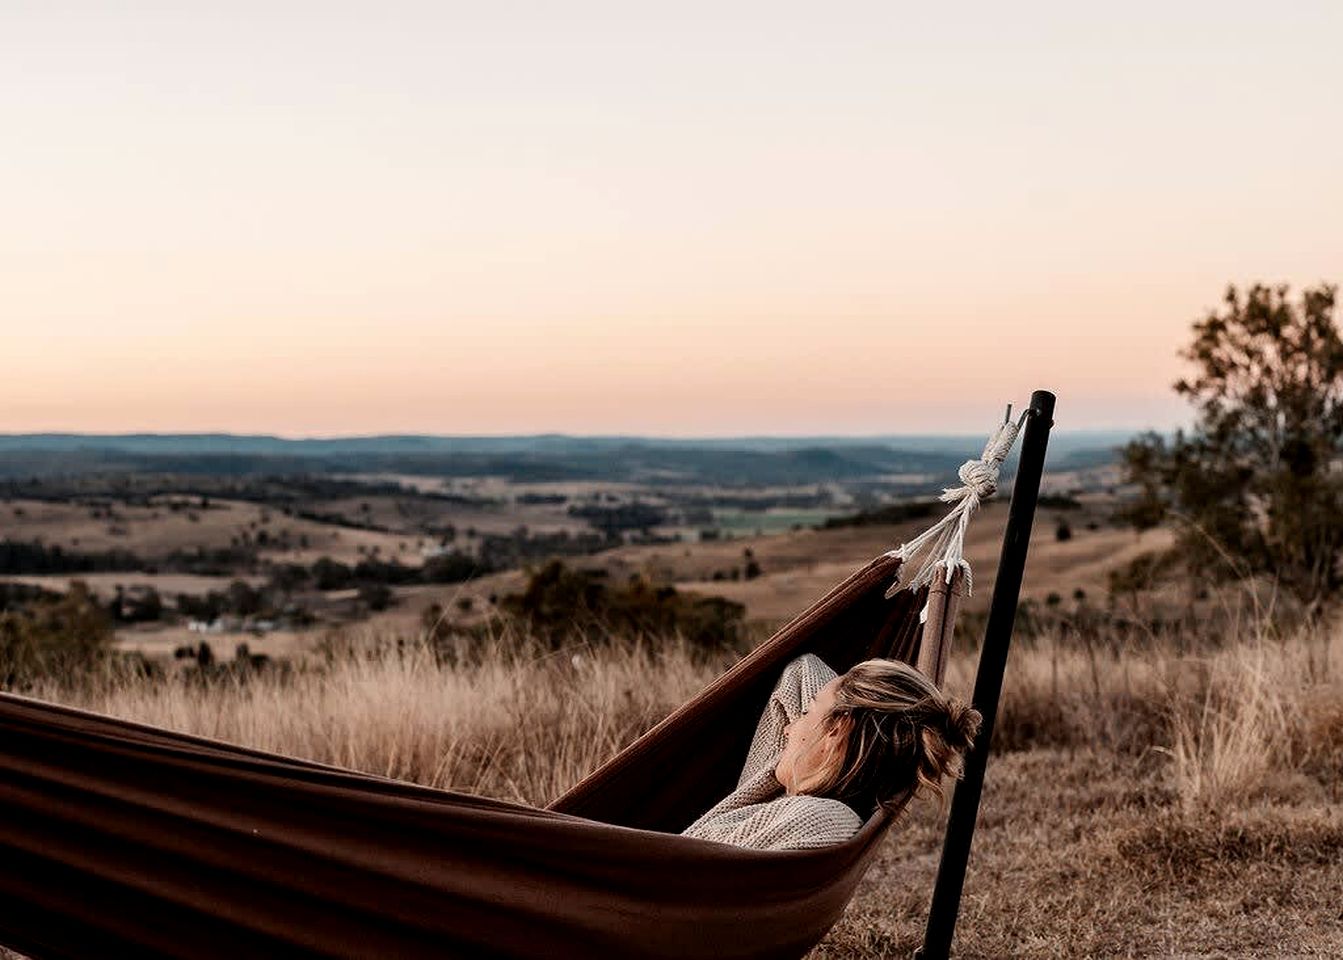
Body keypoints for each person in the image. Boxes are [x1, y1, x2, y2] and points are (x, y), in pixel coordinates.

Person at [681, 653, 981, 851]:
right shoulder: (833, 808)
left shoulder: (812, 817)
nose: (788, 729)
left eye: (806, 713)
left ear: (837, 729)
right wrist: (828, 712)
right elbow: (803, 670)